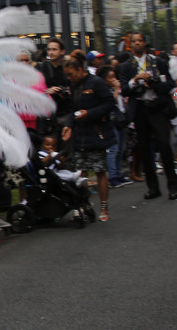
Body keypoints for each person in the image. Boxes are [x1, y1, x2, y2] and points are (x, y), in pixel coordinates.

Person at [119, 32, 177, 202]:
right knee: (145, 149)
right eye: (134, 41)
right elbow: (124, 89)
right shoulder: (127, 66)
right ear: (130, 45)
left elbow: (170, 84)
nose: (137, 43)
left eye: (140, 40)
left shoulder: (157, 61)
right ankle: (152, 188)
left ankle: (173, 187)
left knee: (164, 146)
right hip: (140, 109)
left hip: (157, 107)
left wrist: (155, 84)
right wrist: (135, 79)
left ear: (145, 43)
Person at [61, 53, 115, 221]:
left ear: (79, 69)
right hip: (80, 135)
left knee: (99, 170)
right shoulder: (73, 85)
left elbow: (109, 103)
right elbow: (73, 108)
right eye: (67, 75)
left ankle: (104, 208)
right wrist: (69, 125)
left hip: (96, 133)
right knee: (80, 173)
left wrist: (90, 113)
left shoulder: (96, 82)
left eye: (71, 74)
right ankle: (83, 207)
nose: (69, 78)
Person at [97, 64, 130, 187]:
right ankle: (113, 177)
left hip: (120, 119)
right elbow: (111, 102)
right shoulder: (104, 90)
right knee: (113, 150)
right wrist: (116, 89)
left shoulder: (116, 88)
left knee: (120, 149)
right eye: (111, 77)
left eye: (114, 76)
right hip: (111, 120)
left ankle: (119, 174)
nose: (114, 80)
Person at [37, 37, 71, 137]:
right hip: (47, 116)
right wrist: (47, 91)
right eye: (49, 49)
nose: (51, 52)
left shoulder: (69, 67)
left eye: (54, 49)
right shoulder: (41, 67)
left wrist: (67, 92)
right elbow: (33, 90)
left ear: (62, 51)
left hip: (66, 113)